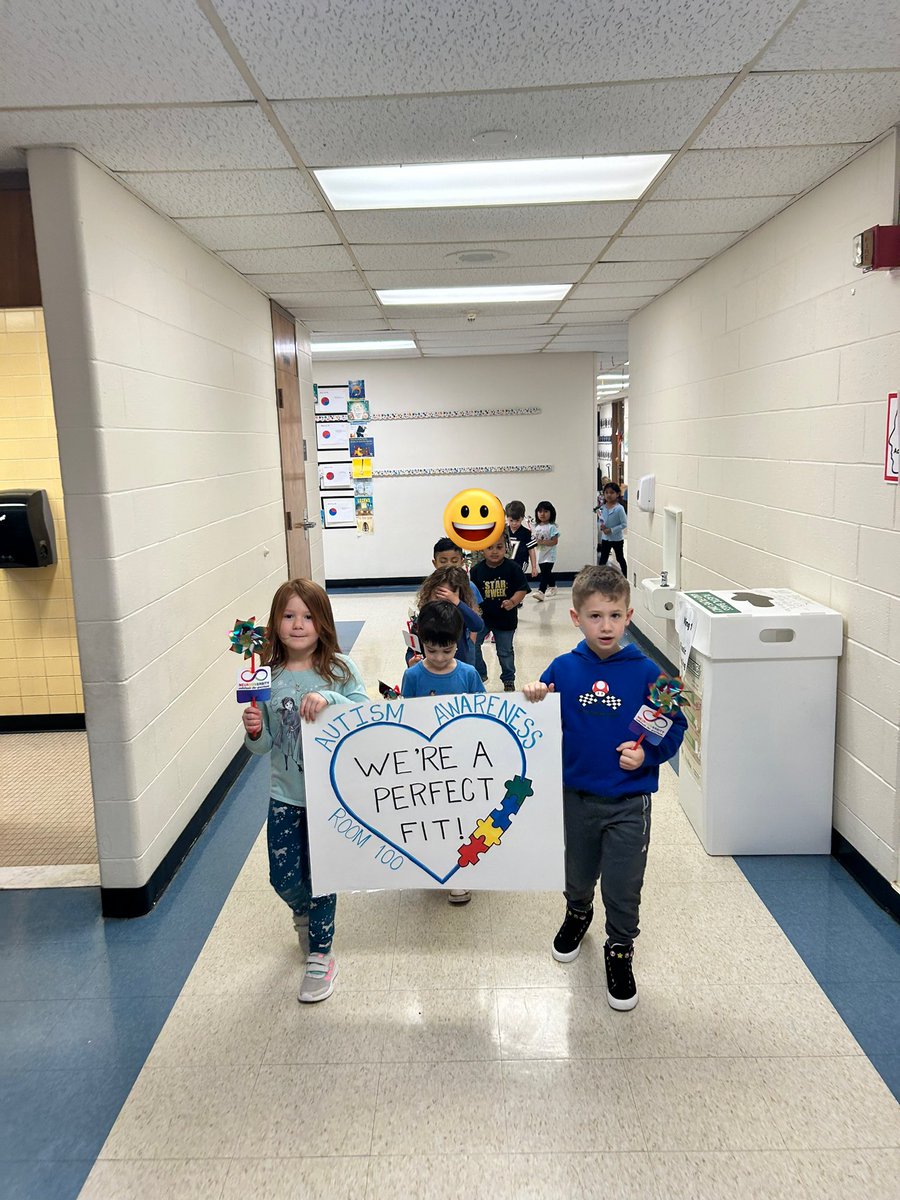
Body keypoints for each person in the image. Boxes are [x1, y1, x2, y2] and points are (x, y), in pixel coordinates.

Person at [522, 565, 686, 1011]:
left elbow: (675, 724)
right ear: (576, 618)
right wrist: (536, 693)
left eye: (614, 615)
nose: (606, 625)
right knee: (577, 871)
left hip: (629, 802)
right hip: (575, 797)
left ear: (629, 615)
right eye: (595, 616)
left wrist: (648, 755)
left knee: (623, 881)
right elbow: (538, 718)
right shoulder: (564, 667)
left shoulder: (650, 672)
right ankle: (578, 913)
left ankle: (619, 947)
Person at [243, 578, 368, 1003]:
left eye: (308, 616)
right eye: (289, 616)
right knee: (284, 878)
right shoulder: (268, 675)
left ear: (323, 622)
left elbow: (367, 715)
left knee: (322, 877)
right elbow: (261, 748)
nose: (298, 625)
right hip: (285, 794)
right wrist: (254, 729)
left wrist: (330, 698)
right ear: (276, 623)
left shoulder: (341, 669)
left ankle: (322, 953)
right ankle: (303, 910)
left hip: (330, 795)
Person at [402, 601, 484, 905]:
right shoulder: (413, 677)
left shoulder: (468, 674)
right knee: (432, 816)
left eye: (446, 650)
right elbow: (406, 718)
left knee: (461, 818)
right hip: (427, 763)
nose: (438, 658)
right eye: (431, 650)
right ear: (420, 640)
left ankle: (461, 871)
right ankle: (433, 862)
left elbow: (484, 713)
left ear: (458, 642)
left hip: (462, 762)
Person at [470, 532, 529, 692]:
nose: (494, 551)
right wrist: (475, 608)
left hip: (505, 620)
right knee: (473, 645)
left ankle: (508, 678)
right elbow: (471, 593)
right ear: (482, 550)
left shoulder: (513, 568)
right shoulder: (476, 571)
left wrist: (513, 602)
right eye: (489, 547)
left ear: (506, 548)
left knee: (505, 652)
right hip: (483, 619)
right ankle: (480, 673)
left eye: (499, 547)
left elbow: (522, 589)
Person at [411, 565, 483, 666]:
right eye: (439, 595)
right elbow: (412, 648)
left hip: (459, 667)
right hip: (430, 668)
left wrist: (458, 603)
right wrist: (412, 660)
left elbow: (477, 626)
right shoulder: (423, 618)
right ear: (429, 594)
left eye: (450, 597)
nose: (443, 602)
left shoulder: (459, 615)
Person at [531, 500, 560, 600]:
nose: (542, 514)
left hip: (550, 554)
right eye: (540, 511)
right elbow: (535, 540)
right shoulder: (537, 527)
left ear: (551, 513)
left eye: (546, 511)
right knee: (546, 572)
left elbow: (554, 541)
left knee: (545, 573)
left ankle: (541, 591)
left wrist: (542, 542)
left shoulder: (552, 527)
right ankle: (552, 587)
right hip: (541, 554)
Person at [598, 481, 628, 576]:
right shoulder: (602, 507)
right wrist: (601, 526)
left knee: (620, 558)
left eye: (611, 493)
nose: (608, 495)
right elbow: (601, 521)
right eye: (606, 492)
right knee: (603, 559)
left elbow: (624, 524)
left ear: (617, 494)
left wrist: (611, 530)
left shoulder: (619, 508)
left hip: (617, 539)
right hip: (605, 538)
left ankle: (626, 576)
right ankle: (599, 578)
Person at [505, 500, 537, 578]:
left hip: (521, 562)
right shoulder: (504, 531)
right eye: (511, 520)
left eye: (517, 521)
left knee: (517, 578)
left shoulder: (526, 533)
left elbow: (531, 550)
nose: (514, 523)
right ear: (507, 518)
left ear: (522, 518)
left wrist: (534, 567)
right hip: (506, 562)